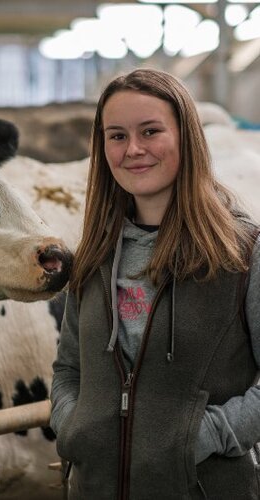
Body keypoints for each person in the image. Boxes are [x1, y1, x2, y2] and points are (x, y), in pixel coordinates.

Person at [50, 68, 260, 500]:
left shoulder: (243, 253)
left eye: (150, 131)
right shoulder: (92, 253)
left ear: (187, 138)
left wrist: (207, 435)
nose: (134, 150)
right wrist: (73, 425)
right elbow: (69, 369)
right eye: (117, 136)